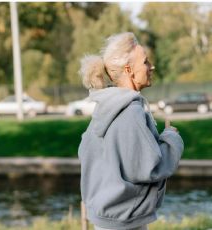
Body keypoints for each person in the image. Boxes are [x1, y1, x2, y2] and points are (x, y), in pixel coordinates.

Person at [78, 32, 184, 230]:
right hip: (125, 222)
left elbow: (86, 154)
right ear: (129, 69)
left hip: (109, 218)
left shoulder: (106, 106)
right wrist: (172, 139)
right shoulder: (130, 111)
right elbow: (148, 168)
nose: (151, 66)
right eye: (145, 62)